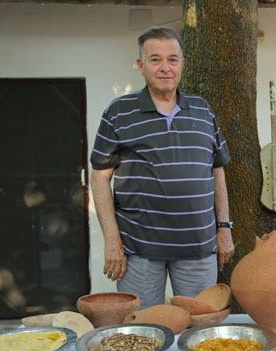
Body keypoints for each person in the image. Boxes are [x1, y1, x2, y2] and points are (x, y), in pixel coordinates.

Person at [90, 28, 235, 308]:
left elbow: (217, 170)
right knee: (143, 327)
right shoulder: (119, 112)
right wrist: (111, 240)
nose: (165, 67)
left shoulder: (203, 110)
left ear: (182, 64)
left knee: (200, 326)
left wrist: (224, 228)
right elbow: (99, 178)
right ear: (140, 65)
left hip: (198, 248)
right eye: (155, 60)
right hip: (139, 250)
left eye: (172, 59)